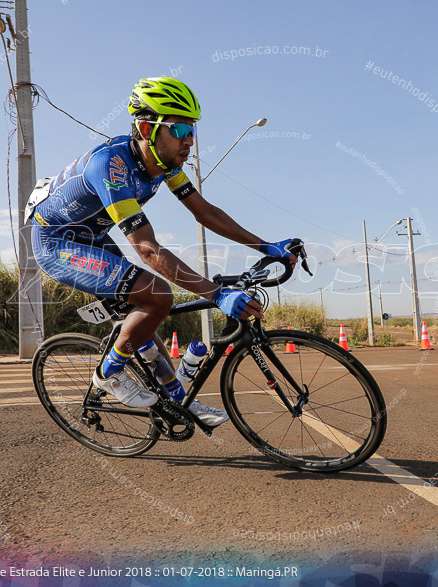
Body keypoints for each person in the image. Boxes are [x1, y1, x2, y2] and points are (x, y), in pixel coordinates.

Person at [25, 77, 300, 426]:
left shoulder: (166, 164)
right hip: (57, 243)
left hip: (93, 237)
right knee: (157, 294)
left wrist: (266, 245)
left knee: (145, 311)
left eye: (193, 131)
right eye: (180, 128)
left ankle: (177, 401)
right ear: (146, 128)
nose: (188, 140)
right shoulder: (111, 166)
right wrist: (216, 294)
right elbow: (147, 249)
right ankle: (109, 375)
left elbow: (205, 212)